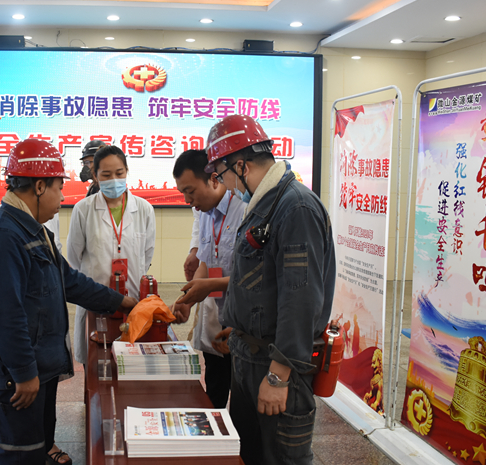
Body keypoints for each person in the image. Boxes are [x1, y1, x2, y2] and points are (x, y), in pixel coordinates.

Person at [0, 138, 137, 465]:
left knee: (37, 447)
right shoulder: (4, 236)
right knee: (17, 456)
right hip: (18, 375)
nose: (62, 197)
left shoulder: (33, 230)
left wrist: (122, 303)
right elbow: (4, 315)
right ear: (39, 187)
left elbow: (70, 281)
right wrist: (23, 373)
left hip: (40, 365)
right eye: (58, 188)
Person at [205, 114, 335, 465]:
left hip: (275, 365)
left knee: (281, 458)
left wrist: (278, 376)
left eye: (221, 174)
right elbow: (263, 278)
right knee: (250, 456)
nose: (223, 185)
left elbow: (301, 300)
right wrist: (240, 325)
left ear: (241, 166)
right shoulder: (265, 203)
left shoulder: (295, 208)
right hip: (251, 356)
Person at [67, 145, 156, 365]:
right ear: (95, 175)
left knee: (131, 364)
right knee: (95, 366)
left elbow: (147, 255)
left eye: (119, 173)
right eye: (106, 175)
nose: (114, 180)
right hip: (95, 299)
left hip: (132, 301)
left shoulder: (144, 209)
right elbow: (74, 257)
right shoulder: (83, 209)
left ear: (127, 171)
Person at [171, 149, 245, 409]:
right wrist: (187, 301)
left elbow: (255, 277)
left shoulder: (245, 210)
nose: (187, 200)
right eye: (182, 193)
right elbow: (205, 262)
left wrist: (209, 285)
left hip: (243, 323)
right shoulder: (205, 212)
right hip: (216, 318)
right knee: (214, 388)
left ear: (214, 179)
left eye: (190, 191)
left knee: (242, 401)